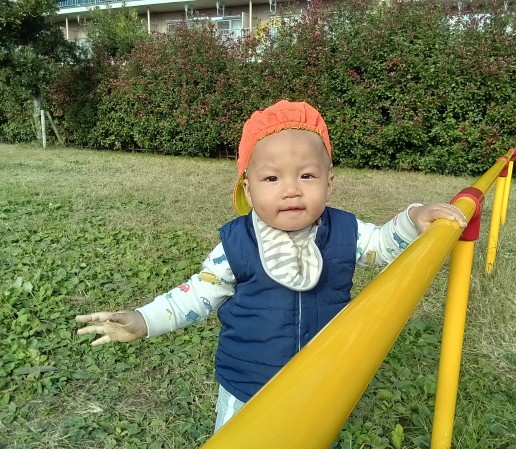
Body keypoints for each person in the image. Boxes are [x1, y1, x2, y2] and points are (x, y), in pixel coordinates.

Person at [75, 100, 467, 431]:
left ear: (329, 183)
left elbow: (381, 246)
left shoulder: (347, 232)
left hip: (320, 379)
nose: (291, 188)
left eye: (307, 175)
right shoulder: (235, 245)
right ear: (248, 189)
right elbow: (196, 295)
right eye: (272, 177)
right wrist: (145, 319)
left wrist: (413, 218)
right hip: (248, 385)